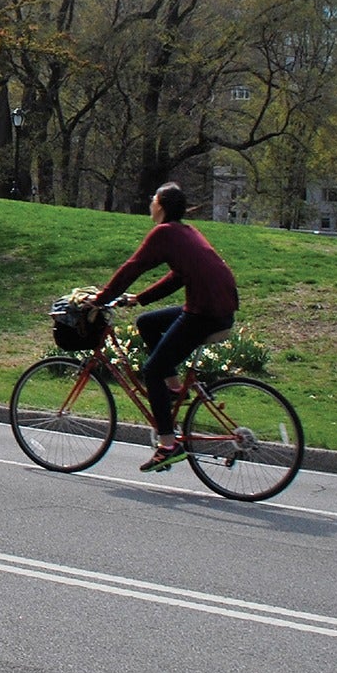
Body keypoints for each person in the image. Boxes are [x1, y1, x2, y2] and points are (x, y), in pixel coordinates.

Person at [94, 182, 239, 473]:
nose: (150, 203)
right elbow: (177, 278)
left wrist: (100, 299)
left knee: (151, 370)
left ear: (161, 205)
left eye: (153, 198)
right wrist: (139, 299)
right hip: (217, 308)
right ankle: (175, 390)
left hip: (205, 312)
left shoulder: (164, 233)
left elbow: (132, 267)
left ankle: (168, 444)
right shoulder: (185, 232)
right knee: (146, 323)